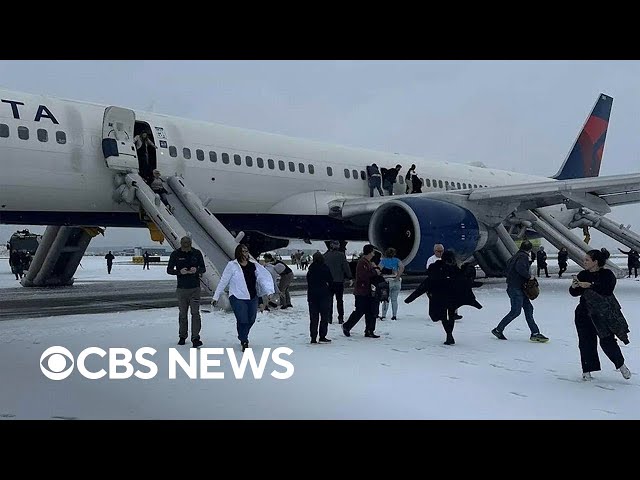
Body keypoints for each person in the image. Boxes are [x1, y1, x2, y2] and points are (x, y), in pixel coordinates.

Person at [569, 248, 632, 381]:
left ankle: (621, 365)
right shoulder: (582, 274)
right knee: (586, 342)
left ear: (595, 262)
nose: (584, 262)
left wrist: (590, 285)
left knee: (607, 341)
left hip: (602, 314)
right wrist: (574, 287)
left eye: (587, 260)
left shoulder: (607, 274)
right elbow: (574, 293)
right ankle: (587, 371)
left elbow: (607, 290)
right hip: (584, 313)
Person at [405, 250, 482, 345]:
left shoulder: (435, 268)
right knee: (451, 315)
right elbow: (463, 282)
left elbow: (426, 284)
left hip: (440, 297)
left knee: (443, 316)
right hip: (452, 297)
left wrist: (411, 298)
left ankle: (449, 334)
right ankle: (449, 334)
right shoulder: (454, 269)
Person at [212, 244, 274, 351]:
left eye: (246, 251)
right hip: (237, 296)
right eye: (243, 251)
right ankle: (244, 339)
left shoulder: (253, 265)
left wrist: (268, 291)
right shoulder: (232, 265)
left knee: (251, 319)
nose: (245, 253)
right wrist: (216, 296)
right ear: (238, 253)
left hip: (252, 296)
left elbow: (262, 279)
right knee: (242, 319)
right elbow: (223, 281)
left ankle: (242, 334)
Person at [491, 240, 549, 342]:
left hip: (517, 287)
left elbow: (510, 269)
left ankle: (535, 332)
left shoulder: (516, 256)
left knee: (528, 309)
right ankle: (498, 329)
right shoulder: (523, 257)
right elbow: (520, 268)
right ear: (529, 249)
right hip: (516, 288)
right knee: (516, 311)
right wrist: (529, 276)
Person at [166, 236, 206, 348]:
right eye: (184, 242)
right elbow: (169, 270)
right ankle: (182, 336)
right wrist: (179, 272)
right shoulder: (175, 254)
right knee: (183, 314)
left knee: (195, 313)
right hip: (182, 288)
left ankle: (195, 337)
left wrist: (196, 270)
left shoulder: (196, 253)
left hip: (194, 288)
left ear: (191, 243)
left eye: (188, 242)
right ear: (181, 243)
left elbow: (203, 268)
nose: (186, 244)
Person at [342, 244, 381, 338]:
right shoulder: (362, 263)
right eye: (372, 252)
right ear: (369, 252)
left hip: (368, 290)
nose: (373, 254)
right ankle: (347, 326)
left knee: (370, 311)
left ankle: (369, 330)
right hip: (362, 291)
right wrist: (375, 272)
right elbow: (364, 275)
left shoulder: (368, 262)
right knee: (360, 310)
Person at [426, 244, 462, 320]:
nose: (440, 253)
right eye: (438, 251)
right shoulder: (431, 260)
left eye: (442, 251)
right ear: (434, 251)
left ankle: (454, 313)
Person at [306, 252, 333, 344]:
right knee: (324, 317)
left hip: (312, 296)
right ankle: (322, 335)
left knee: (314, 318)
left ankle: (313, 337)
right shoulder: (325, 268)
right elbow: (330, 280)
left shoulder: (311, 269)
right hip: (324, 295)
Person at [323, 240, 353, 324]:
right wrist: (350, 277)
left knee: (329, 300)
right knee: (340, 300)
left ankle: (329, 318)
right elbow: (345, 267)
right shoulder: (341, 255)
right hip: (339, 281)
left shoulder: (325, 256)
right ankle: (340, 318)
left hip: (329, 282)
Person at [378, 247, 404, 321]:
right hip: (396, 281)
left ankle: (383, 315)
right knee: (394, 300)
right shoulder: (397, 260)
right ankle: (394, 315)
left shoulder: (384, 261)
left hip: (387, 281)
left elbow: (379, 269)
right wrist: (398, 276)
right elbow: (402, 267)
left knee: (386, 299)